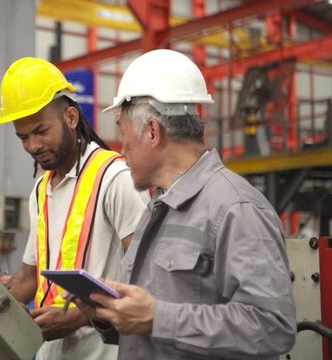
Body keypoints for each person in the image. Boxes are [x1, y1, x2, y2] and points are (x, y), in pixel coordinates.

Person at [72, 49, 297, 359]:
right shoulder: (157, 208)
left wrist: (158, 318)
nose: (121, 149)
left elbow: (272, 327)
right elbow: (149, 326)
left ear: (152, 131)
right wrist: (107, 313)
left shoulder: (236, 208)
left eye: (123, 135)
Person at [0, 57, 147, 360]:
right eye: (23, 137)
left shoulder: (114, 178)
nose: (33, 146)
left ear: (71, 118)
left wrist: (81, 316)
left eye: (41, 131)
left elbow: (148, 275)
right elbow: (28, 278)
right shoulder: (41, 190)